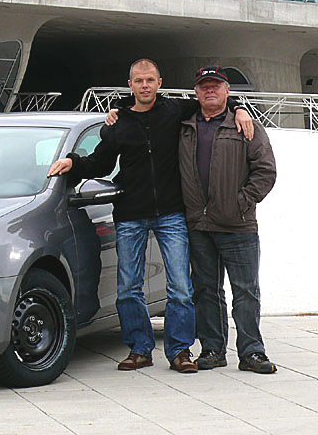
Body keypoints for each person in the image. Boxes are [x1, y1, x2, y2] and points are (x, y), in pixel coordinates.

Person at [48, 59, 252, 373]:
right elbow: (101, 163)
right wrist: (73, 163)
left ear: (160, 83)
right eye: (139, 81)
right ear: (130, 85)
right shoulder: (119, 124)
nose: (145, 85)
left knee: (180, 287)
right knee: (129, 287)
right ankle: (140, 349)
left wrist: (239, 107)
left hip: (172, 214)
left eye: (150, 80)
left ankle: (179, 352)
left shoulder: (174, 111)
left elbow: (210, 98)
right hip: (130, 215)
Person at [179, 66, 277, 373]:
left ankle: (251, 353)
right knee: (206, 291)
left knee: (246, 291)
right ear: (196, 92)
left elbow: (266, 170)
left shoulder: (245, 125)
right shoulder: (183, 126)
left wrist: (241, 203)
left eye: (216, 86)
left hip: (238, 225)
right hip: (198, 225)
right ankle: (212, 350)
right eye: (204, 86)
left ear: (227, 91)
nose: (210, 90)